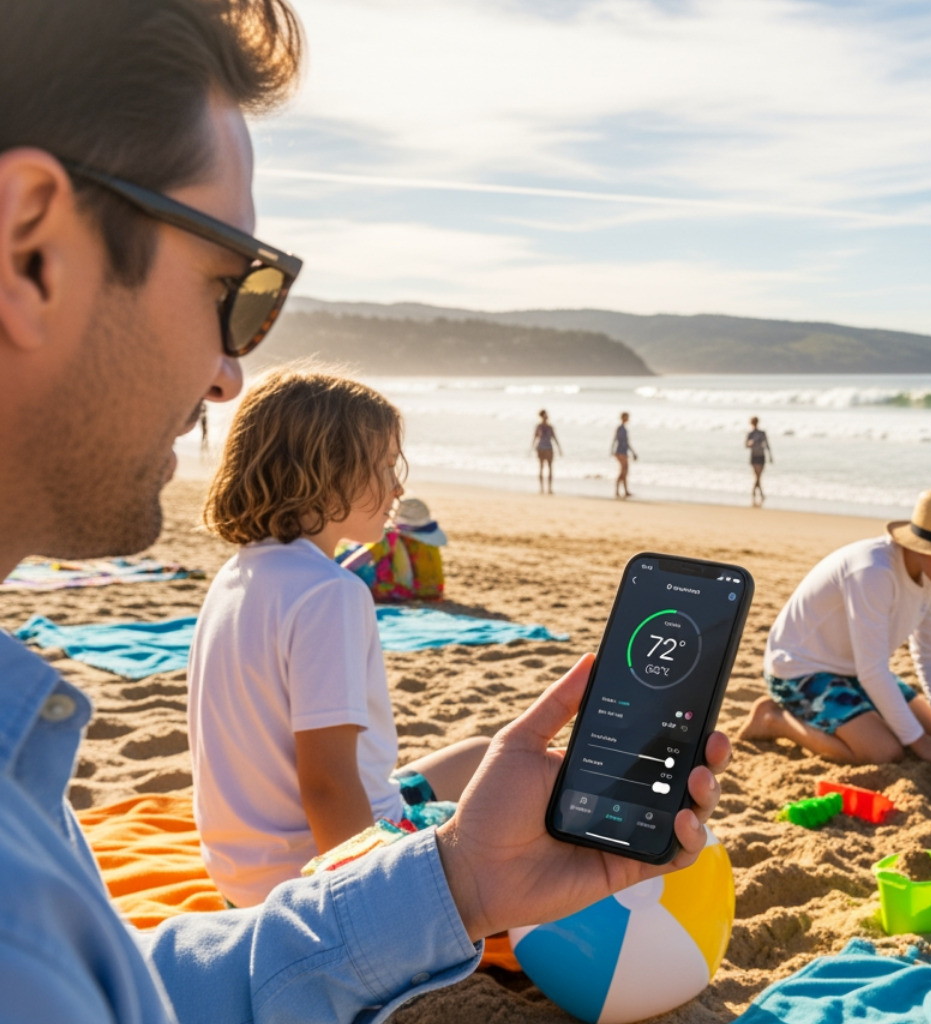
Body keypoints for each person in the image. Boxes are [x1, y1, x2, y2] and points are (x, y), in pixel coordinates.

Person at [0, 2, 728, 1020]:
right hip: (309, 869)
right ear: (30, 249)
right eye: (233, 287)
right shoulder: (323, 596)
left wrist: (460, 884)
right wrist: (398, 895)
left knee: (483, 770)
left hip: (255, 884)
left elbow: (129, 996)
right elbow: (327, 787)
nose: (228, 373)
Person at [190, 369, 488, 907]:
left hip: (242, 876)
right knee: (525, 796)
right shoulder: (330, 593)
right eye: (385, 466)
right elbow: (327, 784)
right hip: (314, 881)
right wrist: (362, 914)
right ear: (329, 472)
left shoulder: (237, 575)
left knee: (480, 755)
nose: (398, 487)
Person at [739, 488, 931, 771]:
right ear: (927, 548)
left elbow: (929, 652)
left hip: (855, 670)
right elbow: (873, 670)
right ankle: (774, 720)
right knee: (885, 752)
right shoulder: (872, 571)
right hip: (800, 668)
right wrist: (919, 743)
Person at [532, 409, 562, 494]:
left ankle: (549, 488)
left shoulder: (549, 427)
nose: (546, 417)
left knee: (549, 468)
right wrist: (532, 448)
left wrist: (559, 448)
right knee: (542, 468)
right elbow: (535, 438)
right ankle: (542, 488)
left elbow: (554, 438)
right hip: (542, 448)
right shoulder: (539, 427)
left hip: (548, 448)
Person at [746, 416, 773, 506]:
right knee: (757, 476)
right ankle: (760, 493)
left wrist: (770, 456)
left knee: (758, 476)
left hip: (761, 456)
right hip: (754, 456)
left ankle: (755, 491)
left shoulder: (762, 433)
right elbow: (746, 445)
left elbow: (767, 444)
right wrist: (750, 443)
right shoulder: (750, 434)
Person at [612, 410, 638, 499]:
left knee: (625, 472)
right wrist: (613, 451)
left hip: (623, 452)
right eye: (627, 417)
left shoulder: (623, 429)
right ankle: (617, 491)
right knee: (623, 472)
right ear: (623, 418)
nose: (628, 419)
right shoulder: (621, 429)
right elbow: (617, 440)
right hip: (621, 452)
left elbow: (625, 442)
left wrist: (632, 452)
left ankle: (625, 491)